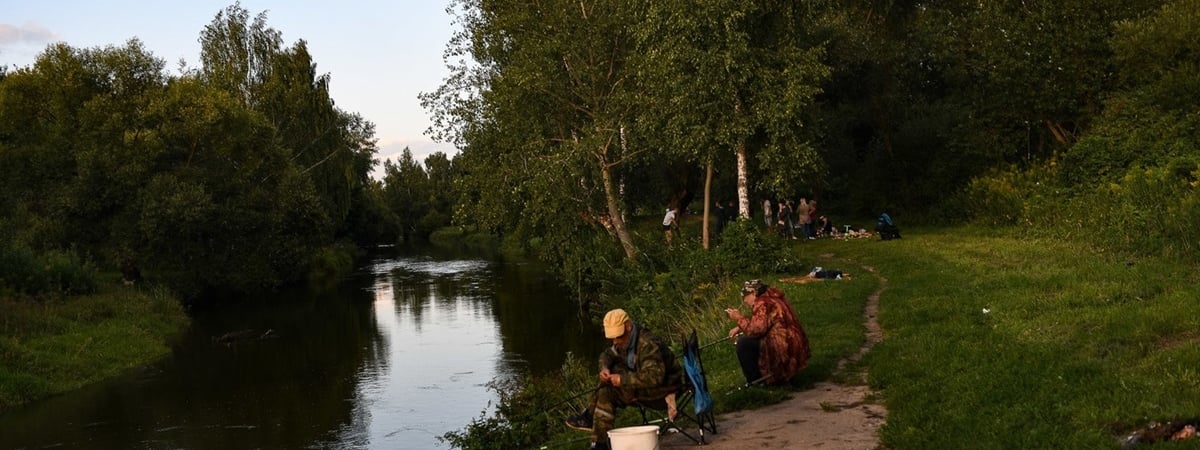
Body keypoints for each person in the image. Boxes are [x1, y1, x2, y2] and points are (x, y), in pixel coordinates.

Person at [565, 309, 684, 450]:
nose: (615, 341)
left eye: (618, 336)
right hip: (649, 385)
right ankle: (594, 428)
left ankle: (598, 440)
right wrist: (604, 368)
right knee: (608, 379)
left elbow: (654, 377)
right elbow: (607, 355)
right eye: (612, 338)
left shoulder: (647, 344)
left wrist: (622, 380)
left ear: (628, 326)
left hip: (665, 388)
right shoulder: (625, 341)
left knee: (608, 392)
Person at [724, 280, 811, 385]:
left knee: (744, 343)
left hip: (783, 347)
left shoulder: (763, 303)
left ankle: (756, 381)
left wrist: (739, 318)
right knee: (750, 341)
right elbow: (764, 322)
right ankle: (770, 377)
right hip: (794, 344)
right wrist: (740, 327)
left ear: (753, 293)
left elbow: (756, 330)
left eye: (745, 297)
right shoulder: (773, 298)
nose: (744, 301)